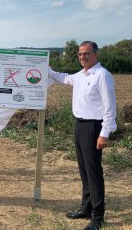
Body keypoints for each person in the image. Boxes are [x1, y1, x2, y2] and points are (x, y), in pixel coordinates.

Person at [48, 41, 116, 230]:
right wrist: (45, 68)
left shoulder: (102, 76)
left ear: (95, 54)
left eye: (86, 54)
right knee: (84, 170)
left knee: (94, 173)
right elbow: (63, 78)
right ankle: (86, 209)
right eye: (80, 54)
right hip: (79, 125)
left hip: (94, 127)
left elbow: (110, 108)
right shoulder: (81, 75)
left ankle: (97, 217)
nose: (82, 57)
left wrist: (104, 133)